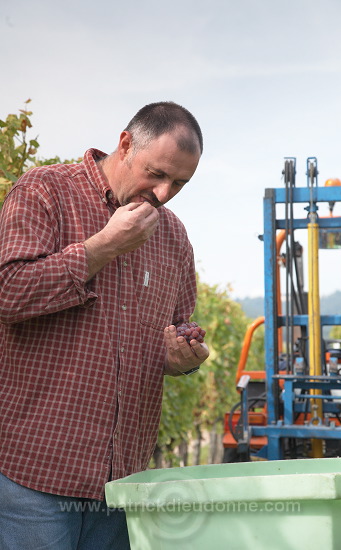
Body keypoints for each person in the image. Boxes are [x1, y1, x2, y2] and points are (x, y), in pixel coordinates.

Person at [0, 101, 209, 550]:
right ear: (126, 143)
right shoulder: (46, 191)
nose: (165, 192)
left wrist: (181, 357)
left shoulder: (173, 236)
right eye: (157, 173)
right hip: (34, 479)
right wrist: (103, 247)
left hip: (122, 484)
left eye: (180, 183)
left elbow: (177, 328)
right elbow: (8, 292)